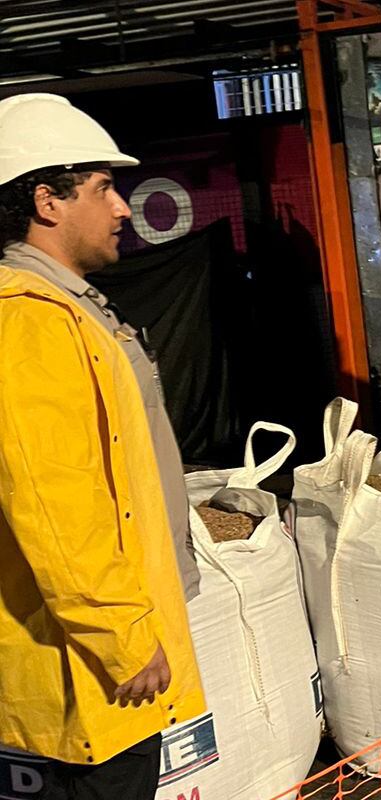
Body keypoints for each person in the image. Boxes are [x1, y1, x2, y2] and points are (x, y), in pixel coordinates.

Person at [0, 93, 205, 799]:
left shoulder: (75, 308)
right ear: (46, 202)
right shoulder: (25, 321)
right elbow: (53, 495)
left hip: (96, 663)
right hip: (79, 673)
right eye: (102, 189)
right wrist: (120, 632)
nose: (123, 208)